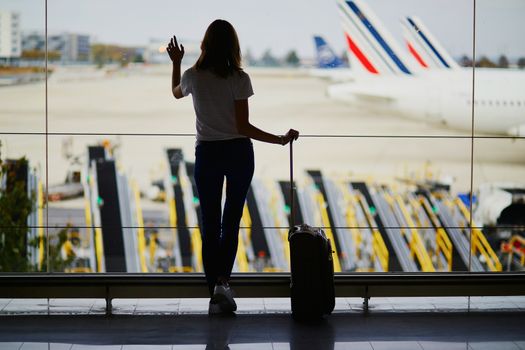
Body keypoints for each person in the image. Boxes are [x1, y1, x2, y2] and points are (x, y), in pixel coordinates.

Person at [167, 19, 299, 315]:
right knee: (232, 220)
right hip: (239, 153)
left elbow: (176, 92)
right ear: (233, 47)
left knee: (209, 223)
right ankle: (223, 283)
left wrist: (176, 62)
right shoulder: (240, 78)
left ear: (205, 44)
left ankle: (213, 286)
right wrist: (278, 140)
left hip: (208, 153)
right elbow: (242, 126)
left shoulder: (193, 76)